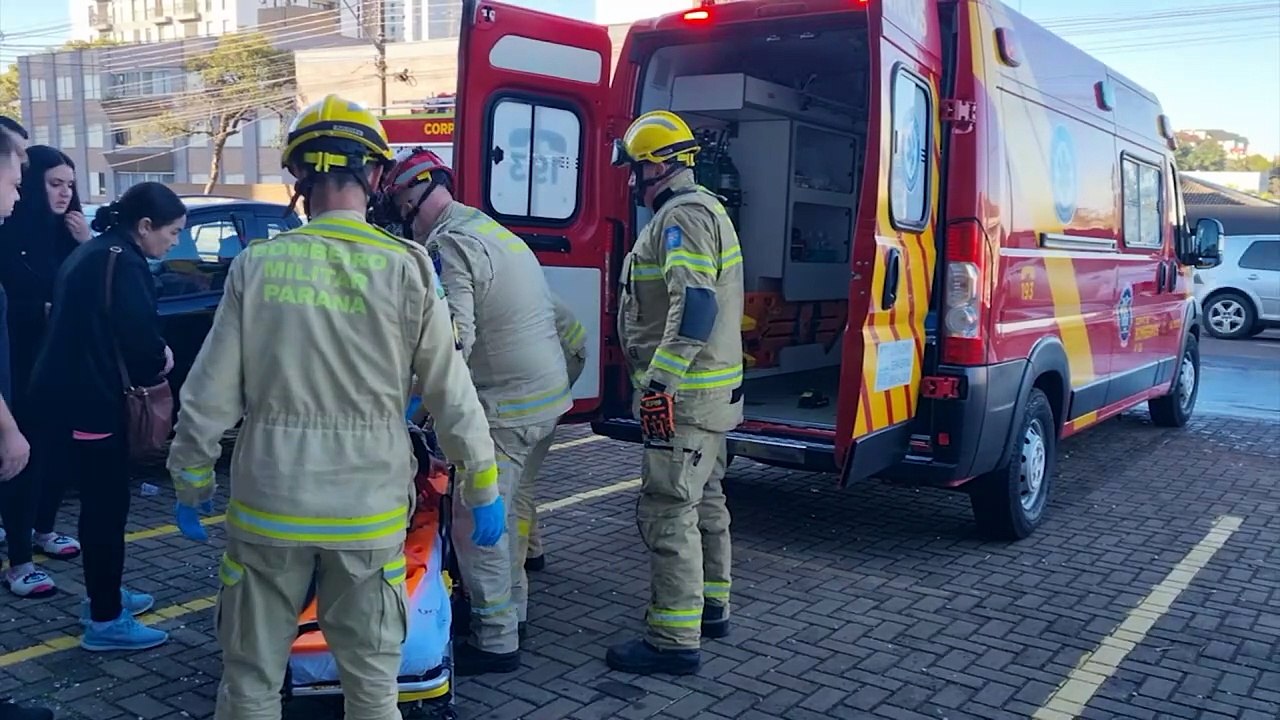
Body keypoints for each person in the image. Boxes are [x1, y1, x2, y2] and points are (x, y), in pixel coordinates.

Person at [165, 94, 501, 720]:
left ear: (300, 178)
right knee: (372, 689)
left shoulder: (257, 267)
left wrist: (189, 477)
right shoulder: (407, 269)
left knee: (250, 682)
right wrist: (482, 486)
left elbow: (207, 393)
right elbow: (451, 394)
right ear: (375, 177)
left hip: (269, 506)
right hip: (365, 513)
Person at [384, 147, 572, 675]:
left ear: (413, 193)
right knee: (509, 516)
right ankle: (515, 614)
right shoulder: (492, 229)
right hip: (546, 400)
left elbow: (452, 344)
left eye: (399, 200)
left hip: (506, 409)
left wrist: (413, 408)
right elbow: (564, 322)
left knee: (476, 520)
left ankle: (495, 638)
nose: (399, 212)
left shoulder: (449, 244)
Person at [604, 110, 744, 675]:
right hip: (712, 401)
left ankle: (673, 639)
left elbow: (697, 305)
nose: (633, 181)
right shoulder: (708, 210)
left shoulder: (679, 218)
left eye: (636, 169)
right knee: (707, 503)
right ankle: (713, 606)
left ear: (657, 165)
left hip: (682, 403)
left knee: (668, 511)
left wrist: (659, 382)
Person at [28, 182, 183, 651]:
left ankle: (106, 595)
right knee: (105, 509)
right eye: (172, 233)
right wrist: (161, 358)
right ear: (145, 227)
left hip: (71, 395)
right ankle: (105, 618)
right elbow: (138, 337)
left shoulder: (97, 251)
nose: (174, 242)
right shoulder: (123, 261)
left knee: (104, 507)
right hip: (91, 402)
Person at [0, 146, 93, 598]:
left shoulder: (68, 235)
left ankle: (43, 529)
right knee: (21, 458)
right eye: (54, 183)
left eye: (70, 185)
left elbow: (95, 288)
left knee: (57, 452)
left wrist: (85, 242)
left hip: (59, 365)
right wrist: (41, 310)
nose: (63, 193)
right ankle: (19, 561)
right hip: (18, 367)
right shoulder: (8, 230)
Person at [521, 296, 588, 574]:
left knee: (518, 479)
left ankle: (511, 574)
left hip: (558, 358)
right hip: (564, 353)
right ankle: (531, 551)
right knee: (524, 467)